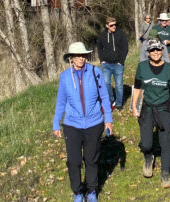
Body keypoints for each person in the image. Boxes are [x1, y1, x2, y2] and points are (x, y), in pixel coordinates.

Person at [52, 42, 113, 202]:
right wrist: (56, 122)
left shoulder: (95, 72)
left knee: (91, 159)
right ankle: (78, 192)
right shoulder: (65, 77)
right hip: (72, 124)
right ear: (71, 58)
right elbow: (61, 101)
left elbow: (105, 96)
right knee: (74, 161)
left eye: (83, 55)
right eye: (77, 55)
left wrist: (108, 119)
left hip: (94, 123)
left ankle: (92, 191)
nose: (81, 58)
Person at [132, 38, 170, 188]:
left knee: (165, 142)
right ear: (148, 52)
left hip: (164, 108)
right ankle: (148, 157)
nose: (156, 52)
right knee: (146, 144)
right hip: (147, 108)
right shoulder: (142, 67)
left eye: (158, 49)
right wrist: (134, 106)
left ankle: (165, 175)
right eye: (152, 50)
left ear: (162, 51)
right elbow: (138, 87)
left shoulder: (168, 68)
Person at [97, 17, 128, 111]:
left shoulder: (121, 34)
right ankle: (111, 100)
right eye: (111, 25)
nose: (114, 26)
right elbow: (99, 48)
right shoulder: (102, 35)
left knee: (119, 85)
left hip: (118, 64)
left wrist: (121, 61)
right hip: (106, 64)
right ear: (107, 26)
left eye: (115, 24)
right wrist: (102, 60)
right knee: (106, 83)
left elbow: (125, 48)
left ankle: (119, 103)